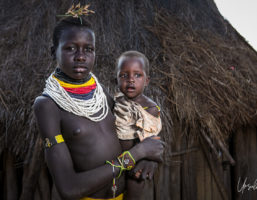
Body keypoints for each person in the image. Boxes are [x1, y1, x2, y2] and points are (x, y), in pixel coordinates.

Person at [33, 11, 164, 200]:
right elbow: (69, 189)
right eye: (70, 48)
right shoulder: (47, 105)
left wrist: (149, 158)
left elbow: (136, 132)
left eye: (88, 49)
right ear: (54, 51)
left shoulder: (99, 90)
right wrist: (134, 156)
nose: (80, 56)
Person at [113, 51, 162, 199]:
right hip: (116, 159)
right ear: (116, 79)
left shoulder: (150, 108)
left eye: (137, 75)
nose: (131, 80)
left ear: (147, 80)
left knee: (134, 188)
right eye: (124, 75)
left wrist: (149, 159)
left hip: (137, 162)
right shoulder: (116, 102)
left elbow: (153, 140)